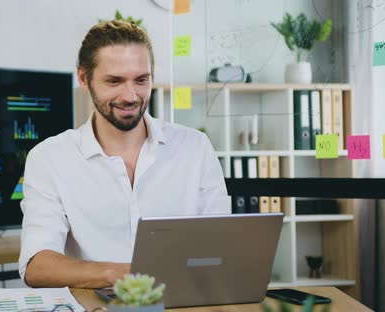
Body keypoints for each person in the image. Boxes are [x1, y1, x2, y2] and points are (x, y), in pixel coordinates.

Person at [19, 20, 229, 288]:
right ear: (84, 78)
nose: (130, 96)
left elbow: (221, 248)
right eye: (114, 81)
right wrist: (122, 275)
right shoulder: (49, 158)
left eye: (141, 80)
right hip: (98, 305)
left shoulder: (195, 147)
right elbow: (37, 266)